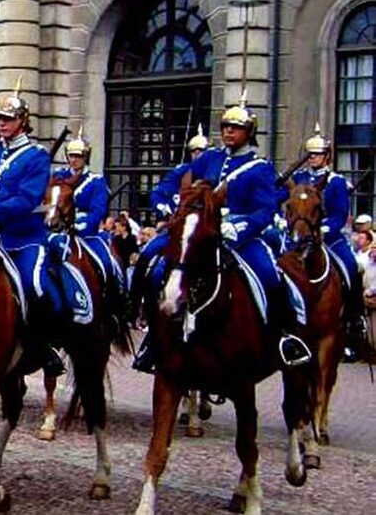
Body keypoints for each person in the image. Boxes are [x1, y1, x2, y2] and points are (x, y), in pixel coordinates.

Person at [134, 91, 310, 372]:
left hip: (242, 238)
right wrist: (174, 208)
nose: (229, 131)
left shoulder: (260, 168)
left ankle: (284, 337)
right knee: (153, 261)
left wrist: (238, 226)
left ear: (248, 132)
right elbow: (184, 184)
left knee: (270, 275)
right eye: (226, 126)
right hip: (202, 230)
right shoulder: (209, 159)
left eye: (236, 128)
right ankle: (151, 334)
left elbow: (264, 211)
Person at [0, 84, 66, 378]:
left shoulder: (36, 156)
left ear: (23, 122)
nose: (2, 123)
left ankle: (41, 347)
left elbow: (27, 199)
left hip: (23, 238)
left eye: (8, 119)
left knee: (34, 285)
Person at [289, 123, 368, 360]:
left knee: (351, 269)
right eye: (310, 154)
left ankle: (354, 322)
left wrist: (323, 229)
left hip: (330, 238)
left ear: (327, 156)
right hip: (299, 237)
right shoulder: (298, 178)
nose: (313, 158)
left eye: (318, 154)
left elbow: (339, 214)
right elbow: (281, 199)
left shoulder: (335, 182)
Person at [126, 125, 213, 328]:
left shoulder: (214, 175)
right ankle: (133, 306)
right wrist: (166, 212)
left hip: (200, 232)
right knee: (146, 255)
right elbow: (156, 193)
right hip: (174, 230)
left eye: (202, 151)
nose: (198, 155)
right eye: (195, 151)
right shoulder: (180, 173)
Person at [51, 127, 125, 311]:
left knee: (108, 264)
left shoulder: (95, 181)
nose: (74, 160)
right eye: (71, 155)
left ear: (86, 157)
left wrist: (80, 226)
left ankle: (114, 307)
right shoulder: (58, 176)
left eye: (78, 156)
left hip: (86, 234)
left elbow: (98, 210)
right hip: (57, 231)